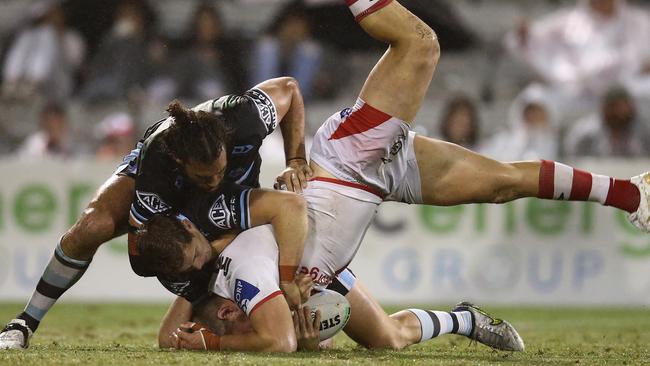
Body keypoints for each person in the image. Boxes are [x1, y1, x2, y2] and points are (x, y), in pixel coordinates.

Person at [0, 77, 312, 350]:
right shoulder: (158, 170)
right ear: (180, 160)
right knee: (93, 226)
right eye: (205, 177)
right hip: (169, 188)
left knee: (229, 249)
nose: (214, 182)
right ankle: (25, 322)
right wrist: (200, 293)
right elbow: (142, 259)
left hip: (233, 194)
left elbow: (290, 88)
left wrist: (296, 159)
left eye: (219, 170)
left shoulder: (245, 117)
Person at [150, 222, 523, 352]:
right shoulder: (202, 281)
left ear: (231, 310)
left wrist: (213, 343)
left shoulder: (247, 277)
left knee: (388, 338)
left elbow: (278, 341)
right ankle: (464, 320)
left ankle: (466, 320)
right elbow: (167, 337)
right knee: (386, 341)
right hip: (294, 274)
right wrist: (312, 345)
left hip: (315, 266)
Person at [504, 0, 650, 118]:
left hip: (626, 92)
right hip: (579, 94)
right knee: (532, 99)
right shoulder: (568, 22)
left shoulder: (640, 21)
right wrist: (524, 36)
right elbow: (525, 41)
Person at [2, 0, 85, 102]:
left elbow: (75, 66)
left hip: (59, 85)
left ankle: (32, 83)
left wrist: (59, 40)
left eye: (48, 16)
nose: (46, 21)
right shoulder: (32, 36)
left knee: (47, 33)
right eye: (42, 19)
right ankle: (11, 83)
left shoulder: (72, 38)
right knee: (26, 35)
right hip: (28, 85)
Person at [565, 86, 650, 158]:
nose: (619, 111)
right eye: (614, 106)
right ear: (604, 108)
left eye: (623, 106)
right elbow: (574, 160)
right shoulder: (585, 134)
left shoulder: (644, 132)